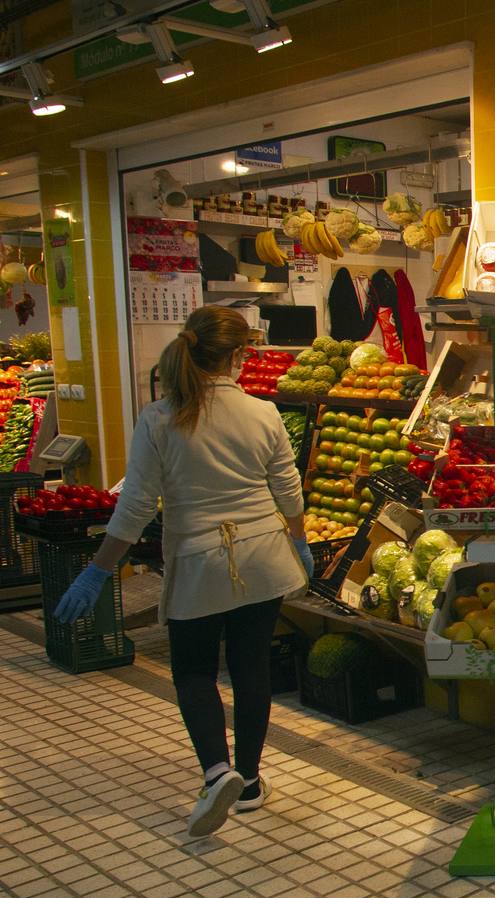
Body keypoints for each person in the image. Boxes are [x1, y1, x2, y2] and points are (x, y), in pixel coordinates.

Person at [53, 306, 313, 838]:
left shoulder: (158, 418)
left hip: (199, 561)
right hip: (264, 556)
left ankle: (218, 771)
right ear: (239, 356)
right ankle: (252, 782)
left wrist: (98, 572)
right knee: (250, 668)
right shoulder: (263, 413)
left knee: (194, 671)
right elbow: (288, 489)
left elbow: (136, 508)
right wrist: (299, 540)